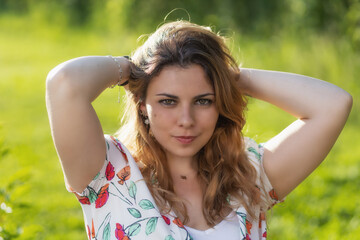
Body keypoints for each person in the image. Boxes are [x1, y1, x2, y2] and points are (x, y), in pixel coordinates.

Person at [45, 21, 352, 240]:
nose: (186, 119)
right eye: (168, 101)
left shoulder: (248, 174)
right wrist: (132, 70)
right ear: (142, 105)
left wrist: (228, 76)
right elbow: (64, 83)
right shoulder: (107, 172)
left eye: (203, 101)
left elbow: (333, 105)